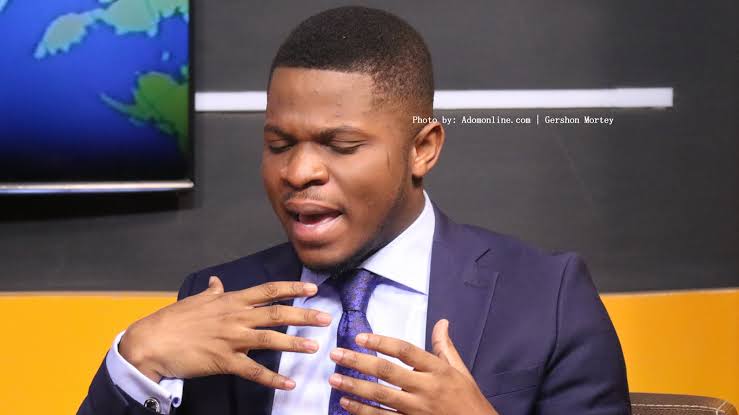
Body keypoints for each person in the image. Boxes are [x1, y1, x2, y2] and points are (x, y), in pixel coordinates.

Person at [78, 6, 630, 415]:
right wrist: (137, 359)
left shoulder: (547, 299)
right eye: (278, 145)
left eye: (340, 146)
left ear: (422, 148)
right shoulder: (216, 297)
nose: (298, 172)